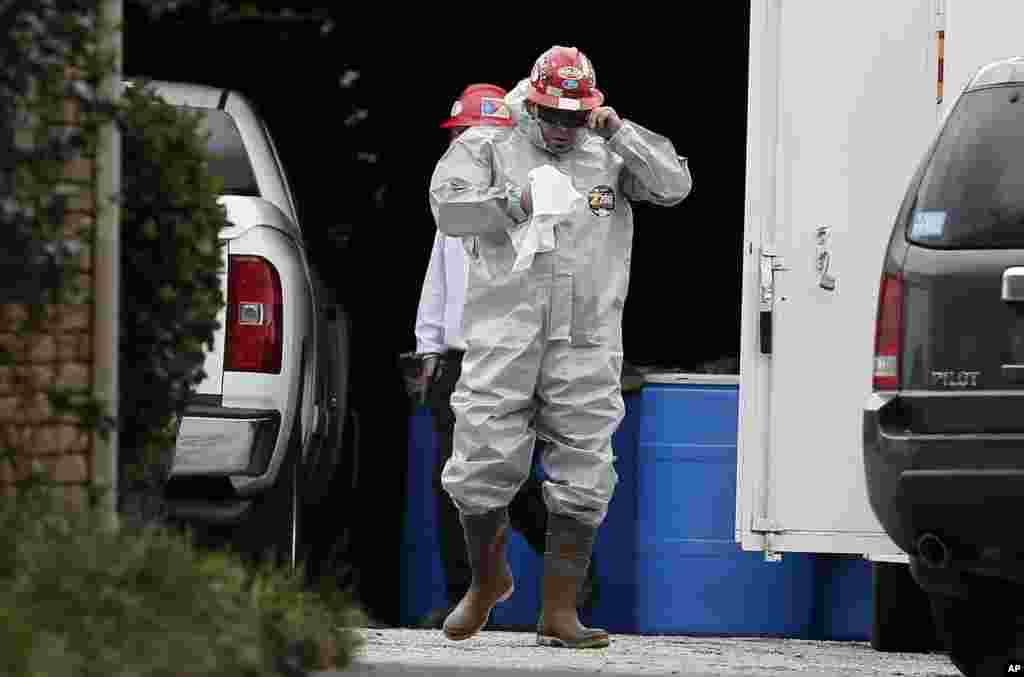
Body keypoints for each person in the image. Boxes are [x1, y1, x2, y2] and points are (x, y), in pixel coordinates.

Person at [428, 46, 691, 649]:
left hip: (585, 334)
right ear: (534, 100)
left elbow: (674, 184)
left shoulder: (607, 148)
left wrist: (621, 132)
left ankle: (560, 611)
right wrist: (514, 203)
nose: (563, 129)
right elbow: (447, 206)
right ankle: (486, 581)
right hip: (506, 328)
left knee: (585, 463)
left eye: (576, 117)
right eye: (553, 115)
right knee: (481, 455)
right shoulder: (492, 141)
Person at [409, 82, 597, 630]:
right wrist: (428, 347)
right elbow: (437, 281)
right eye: (462, 133)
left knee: (516, 481)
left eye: (478, 132)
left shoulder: (536, 196)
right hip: (461, 356)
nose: (468, 141)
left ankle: (568, 585)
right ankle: (463, 591)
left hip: (516, 351)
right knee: (461, 481)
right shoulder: (462, 205)